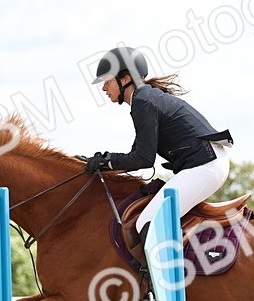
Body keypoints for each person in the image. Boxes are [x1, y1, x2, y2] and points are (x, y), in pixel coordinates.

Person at [84, 46, 233, 248]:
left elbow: (143, 159)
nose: (104, 88)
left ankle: (171, 280)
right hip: (207, 163)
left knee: (148, 223)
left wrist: (106, 161)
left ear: (125, 78)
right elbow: (136, 155)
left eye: (107, 81)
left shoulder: (144, 102)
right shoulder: (145, 98)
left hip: (205, 166)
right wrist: (104, 163)